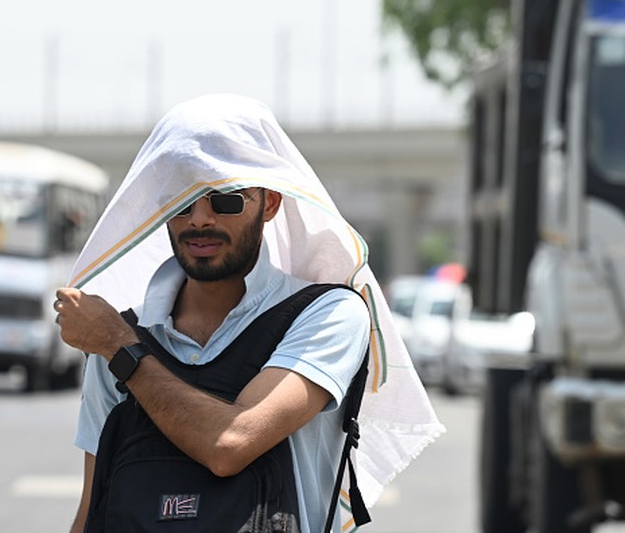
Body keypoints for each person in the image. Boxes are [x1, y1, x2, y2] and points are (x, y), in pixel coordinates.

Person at [55, 94, 444, 533]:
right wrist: (119, 343)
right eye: (183, 200)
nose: (200, 219)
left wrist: (121, 349)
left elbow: (230, 444)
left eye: (225, 199)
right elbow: (94, 505)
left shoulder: (328, 315)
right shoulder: (123, 333)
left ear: (270, 204)